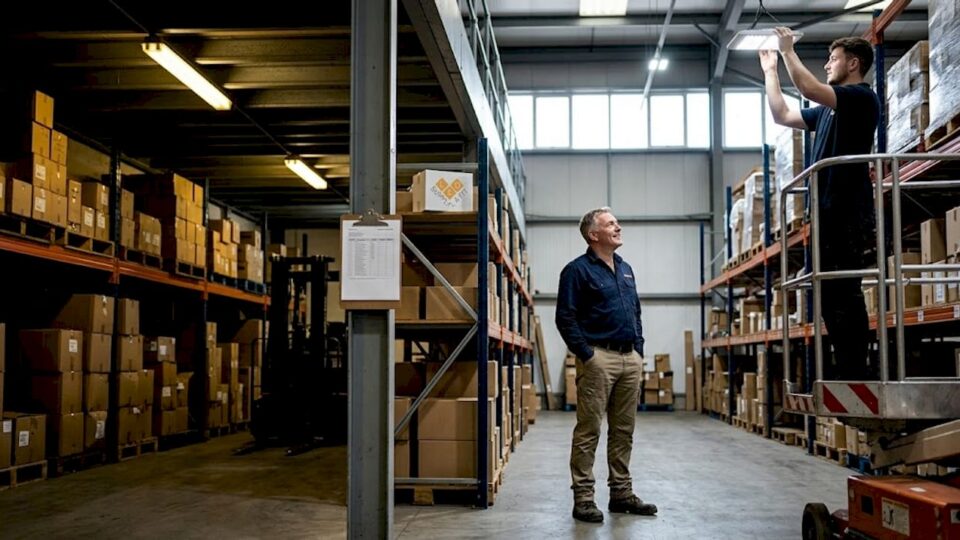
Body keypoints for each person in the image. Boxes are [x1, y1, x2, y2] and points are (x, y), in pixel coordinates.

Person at [760, 28, 880, 380]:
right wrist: (770, 71)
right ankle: (849, 369)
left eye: (834, 59)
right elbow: (782, 114)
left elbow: (809, 88)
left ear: (854, 63)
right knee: (829, 294)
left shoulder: (860, 98)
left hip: (847, 212)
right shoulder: (827, 111)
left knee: (844, 291)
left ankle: (858, 371)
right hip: (826, 214)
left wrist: (787, 52)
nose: (828, 63)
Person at [555, 207, 656, 523]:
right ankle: (584, 498)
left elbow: (635, 311)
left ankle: (621, 494)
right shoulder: (577, 271)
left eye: (617, 222)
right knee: (589, 430)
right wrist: (587, 354)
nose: (618, 226)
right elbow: (565, 317)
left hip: (630, 358)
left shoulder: (626, 269)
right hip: (599, 358)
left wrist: (638, 350)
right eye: (610, 223)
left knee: (624, 430)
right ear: (593, 234)